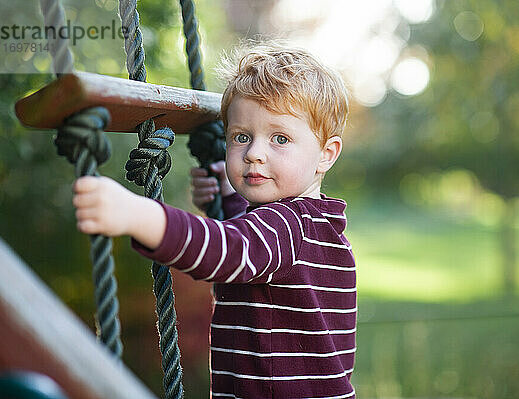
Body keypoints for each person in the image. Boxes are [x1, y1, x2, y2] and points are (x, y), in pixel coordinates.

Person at [72, 41, 356, 399]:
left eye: (280, 138)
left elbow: (232, 250)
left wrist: (138, 215)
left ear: (325, 154)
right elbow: (259, 259)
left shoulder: (290, 227)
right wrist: (229, 198)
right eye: (241, 137)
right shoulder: (315, 226)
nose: (253, 153)